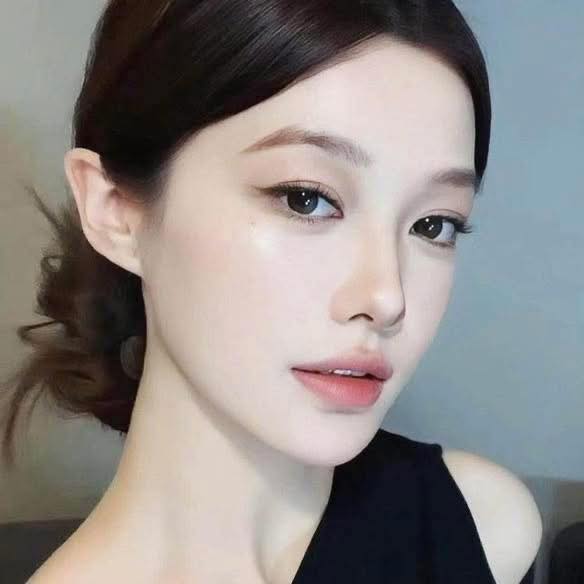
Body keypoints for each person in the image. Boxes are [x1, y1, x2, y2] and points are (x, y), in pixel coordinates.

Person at [0, 0, 542, 582]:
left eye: (434, 224)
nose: (388, 298)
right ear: (115, 212)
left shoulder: (484, 523)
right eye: (305, 199)